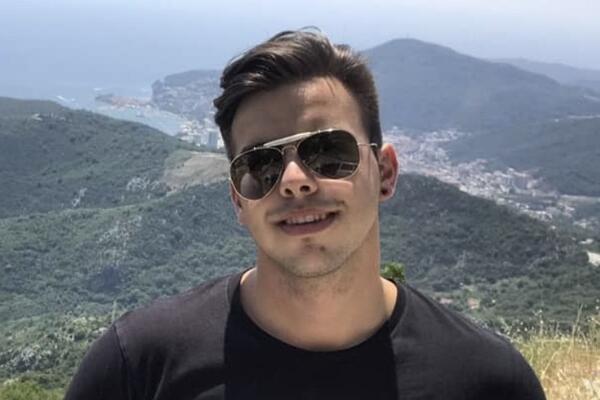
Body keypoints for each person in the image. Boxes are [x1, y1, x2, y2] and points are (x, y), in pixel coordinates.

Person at [65, 29, 546, 400]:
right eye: (261, 165)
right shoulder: (138, 368)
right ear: (238, 200)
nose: (294, 179)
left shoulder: (488, 381)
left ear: (384, 172)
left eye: (328, 152)